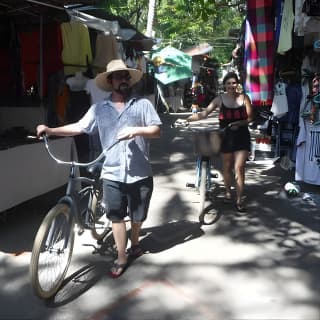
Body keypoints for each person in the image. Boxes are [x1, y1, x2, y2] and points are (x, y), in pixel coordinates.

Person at [36, 59, 162, 278]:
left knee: (137, 216)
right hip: (112, 172)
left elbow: (156, 130)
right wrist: (50, 129)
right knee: (116, 216)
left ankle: (135, 242)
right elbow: (79, 127)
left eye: (125, 76)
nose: (123, 80)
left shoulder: (143, 104)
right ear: (110, 81)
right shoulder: (99, 109)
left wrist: (137, 130)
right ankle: (122, 257)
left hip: (140, 172)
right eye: (118, 76)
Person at [186, 71, 253, 212]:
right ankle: (229, 193)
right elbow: (204, 114)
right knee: (227, 167)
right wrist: (188, 119)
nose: (231, 86)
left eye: (234, 83)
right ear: (224, 85)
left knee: (239, 168)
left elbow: (250, 118)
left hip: (242, 136)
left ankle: (240, 200)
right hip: (226, 137)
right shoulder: (219, 99)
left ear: (237, 84)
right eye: (228, 83)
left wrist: (240, 123)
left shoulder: (244, 98)